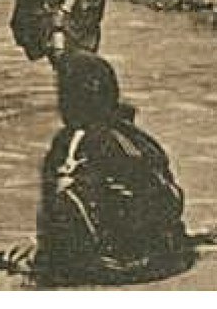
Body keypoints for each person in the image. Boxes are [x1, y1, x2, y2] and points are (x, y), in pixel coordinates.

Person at [32, 53, 194, 287]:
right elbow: (170, 198)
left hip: (116, 266)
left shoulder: (77, 140)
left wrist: (44, 257)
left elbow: (62, 203)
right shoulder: (136, 137)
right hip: (170, 255)